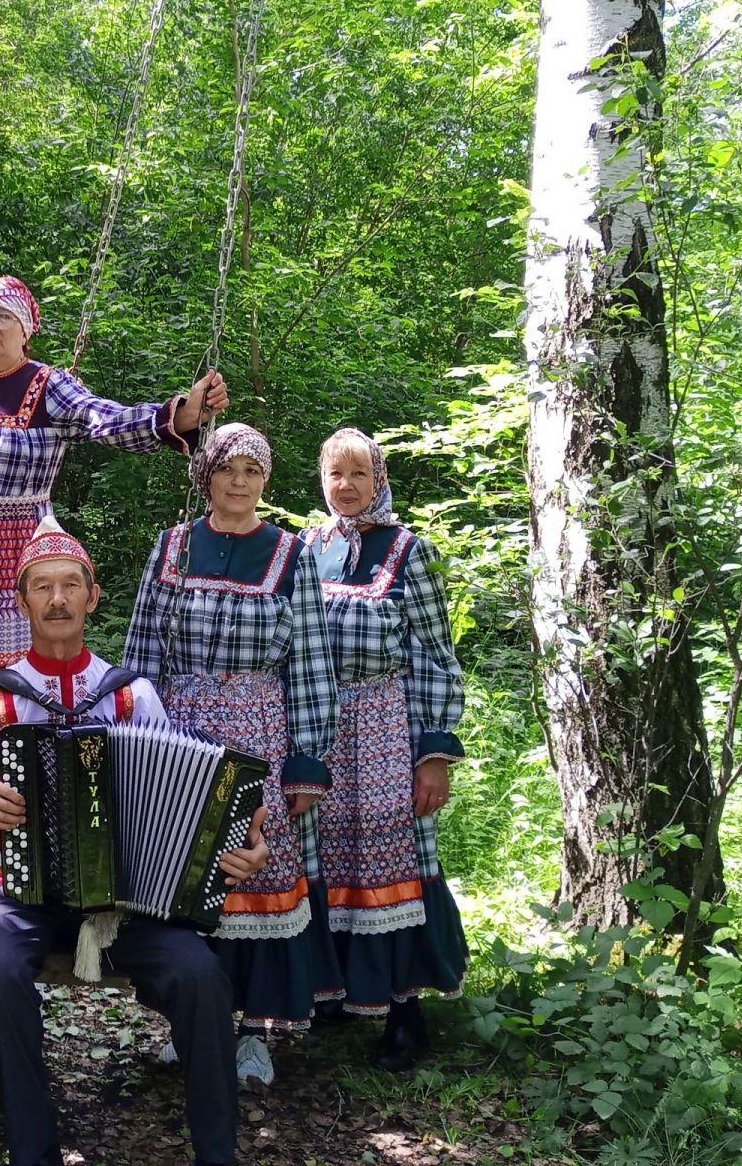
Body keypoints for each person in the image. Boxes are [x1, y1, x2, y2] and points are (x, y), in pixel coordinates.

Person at [0, 519, 271, 1166]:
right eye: (42, 587)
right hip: (17, 887)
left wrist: (237, 850)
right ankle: (33, 1152)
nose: (57, 599)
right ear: (23, 600)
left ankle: (217, 1153)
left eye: (70, 585)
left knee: (202, 974)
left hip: (127, 900)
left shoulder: (131, 695)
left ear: (92, 598)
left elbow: (187, 797)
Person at [0, 274, 227, 768]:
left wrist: (179, 415)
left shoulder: (46, 385)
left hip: (9, 565)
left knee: (12, 687)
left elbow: (106, 420)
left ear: (26, 330)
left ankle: (23, 799)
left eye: (4, 317)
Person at [120, 423, 343, 1085]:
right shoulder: (173, 548)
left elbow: (310, 660)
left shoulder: (289, 554)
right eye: (227, 469)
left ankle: (253, 1034)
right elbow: (139, 655)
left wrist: (308, 757)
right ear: (206, 477)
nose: (239, 482)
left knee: (253, 874)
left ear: (265, 481)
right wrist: (135, 738)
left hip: (258, 734)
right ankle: (185, 1023)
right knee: (182, 876)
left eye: (252, 471)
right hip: (179, 733)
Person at [299, 428, 469, 1069]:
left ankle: (404, 1013)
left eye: (358, 475)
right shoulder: (304, 549)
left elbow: (433, 656)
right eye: (335, 475)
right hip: (318, 729)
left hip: (384, 733)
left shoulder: (408, 551)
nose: (345, 487)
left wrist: (431, 754)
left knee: (388, 867)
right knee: (327, 864)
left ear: (380, 480)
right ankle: (335, 995)